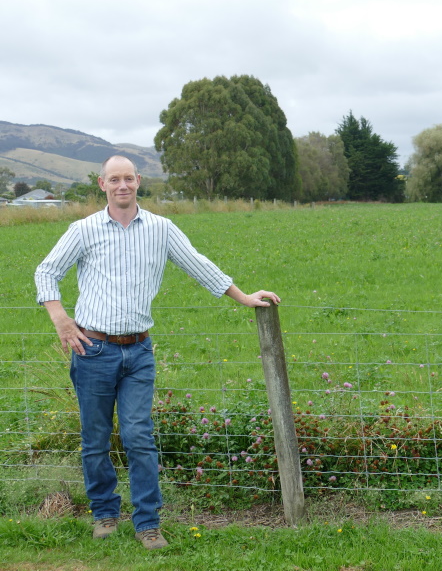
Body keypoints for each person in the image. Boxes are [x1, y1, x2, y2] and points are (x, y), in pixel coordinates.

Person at [34, 155, 280, 550]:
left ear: (138, 181)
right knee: (95, 439)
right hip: (93, 349)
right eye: (114, 180)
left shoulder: (161, 229)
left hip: (138, 352)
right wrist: (61, 319)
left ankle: (148, 523)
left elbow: (199, 266)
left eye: (128, 178)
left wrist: (244, 297)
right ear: (102, 184)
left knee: (139, 438)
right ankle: (105, 514)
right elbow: (46, 272)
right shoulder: (83, 230)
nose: (122, 186)